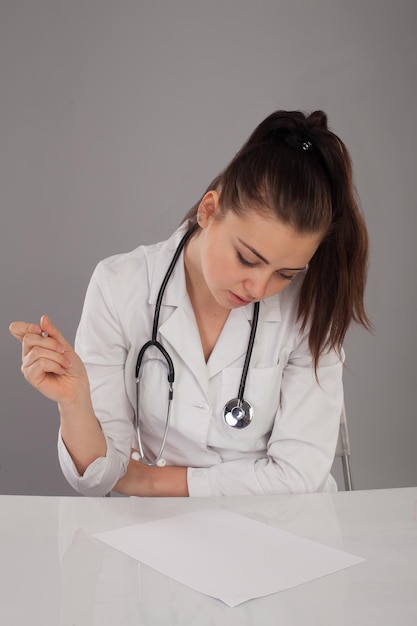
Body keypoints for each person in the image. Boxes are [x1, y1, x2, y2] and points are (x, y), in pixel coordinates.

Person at [9, 110, 370, 498]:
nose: (259, 287)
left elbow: (299, 477)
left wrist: (147, 480)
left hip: (281, 531)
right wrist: (75, 401)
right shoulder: (120, 286)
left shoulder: (310, 309)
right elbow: (98, 477)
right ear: (209, 210)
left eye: (286, 274)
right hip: (159, 534)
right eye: (248, 259)